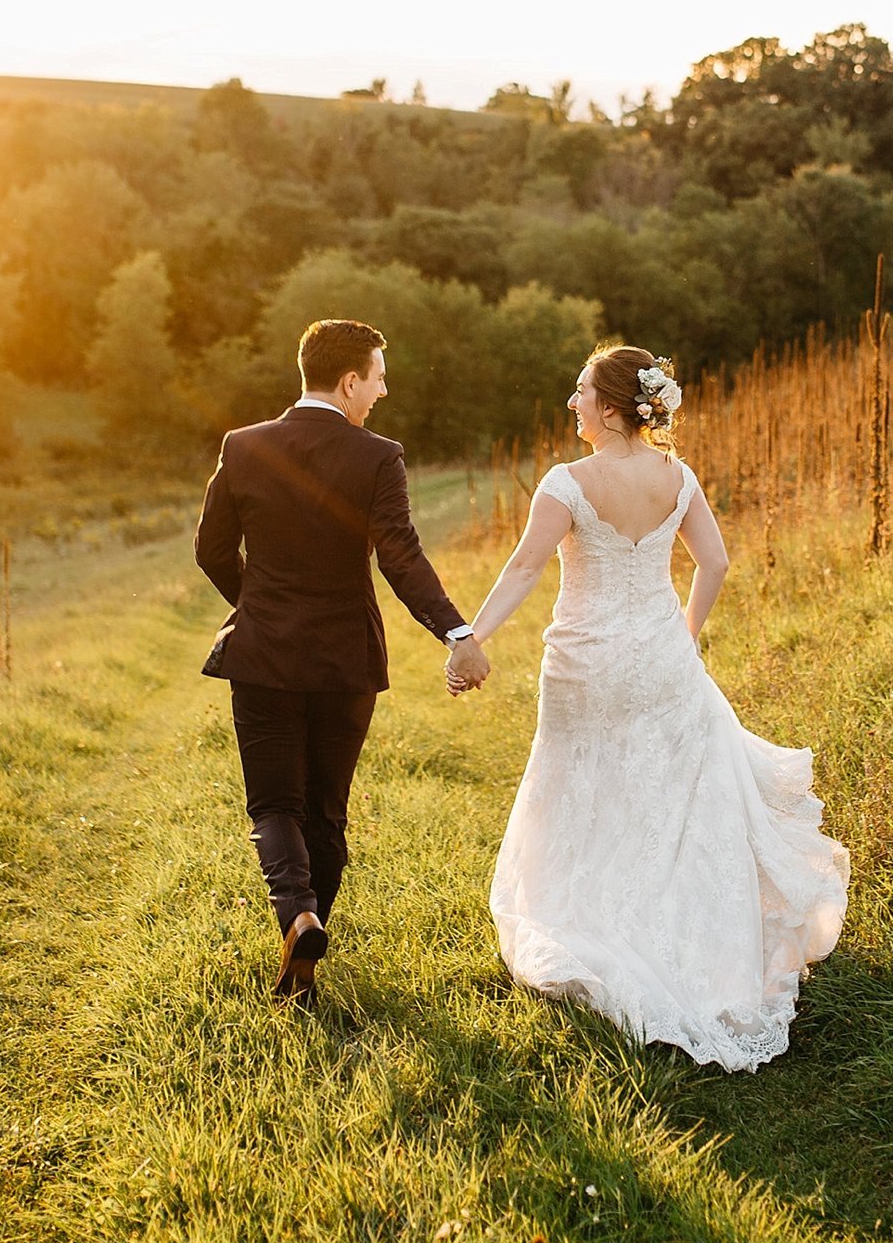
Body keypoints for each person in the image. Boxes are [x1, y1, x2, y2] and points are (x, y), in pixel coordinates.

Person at [458, 344, 849, 1070]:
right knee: (664, 801)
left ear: (610, 406)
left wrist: (471, 637)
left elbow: (523, 568)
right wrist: (684, 635)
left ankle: (591, 924)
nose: (571, 402)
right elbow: (717, 562)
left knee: (580, 791)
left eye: (579, 391)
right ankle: (677, 931)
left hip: (583, 665)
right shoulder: (678, 476)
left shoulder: (565, 483)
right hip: (662, 659)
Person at [193, 318, 490, 1010]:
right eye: (378, 377)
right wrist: (457, 631)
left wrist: (260, 607)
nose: (382, 392)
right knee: (325, 812)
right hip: (344, 662)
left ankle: (297, 919)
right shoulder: (378, 457)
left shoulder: (242, 446)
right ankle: (305, 947)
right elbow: (400, 555)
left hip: (262, 656)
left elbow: (211, 550)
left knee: (273, 804)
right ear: (349, 379)